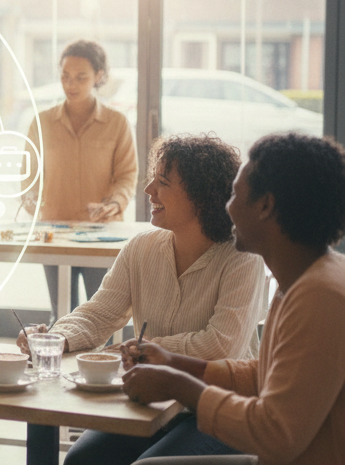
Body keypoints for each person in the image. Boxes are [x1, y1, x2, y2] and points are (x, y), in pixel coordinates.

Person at [17, 134, 266, 465]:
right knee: (82, 461)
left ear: (201, 198)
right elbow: (98, 314)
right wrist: (55, 338)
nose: (148, 190)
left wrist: (143, 349)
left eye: (162, 182)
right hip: (149, 401)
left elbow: (221, 347)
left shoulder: (241, 257)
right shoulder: (141, 248)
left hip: (213, 408)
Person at [123, 133, 345, 465]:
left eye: (235, 195)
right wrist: (176, 363)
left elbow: (276, 433)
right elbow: (268, 376)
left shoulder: (321, 296)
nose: (225, 208)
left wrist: (180, 386)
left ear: (266, 206)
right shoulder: (304, 277)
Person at [23, 40, 138, 320]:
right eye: (65, 76)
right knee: (61, 316)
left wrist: (113, 203)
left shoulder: (117, 123)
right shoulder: (42, 122)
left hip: (100, 235)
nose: (70, 84)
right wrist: (29, 198)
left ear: (99, 76)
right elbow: (29, 175)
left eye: (80, 77)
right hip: (54, 233)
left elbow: (126, 175)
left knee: (103, 317)